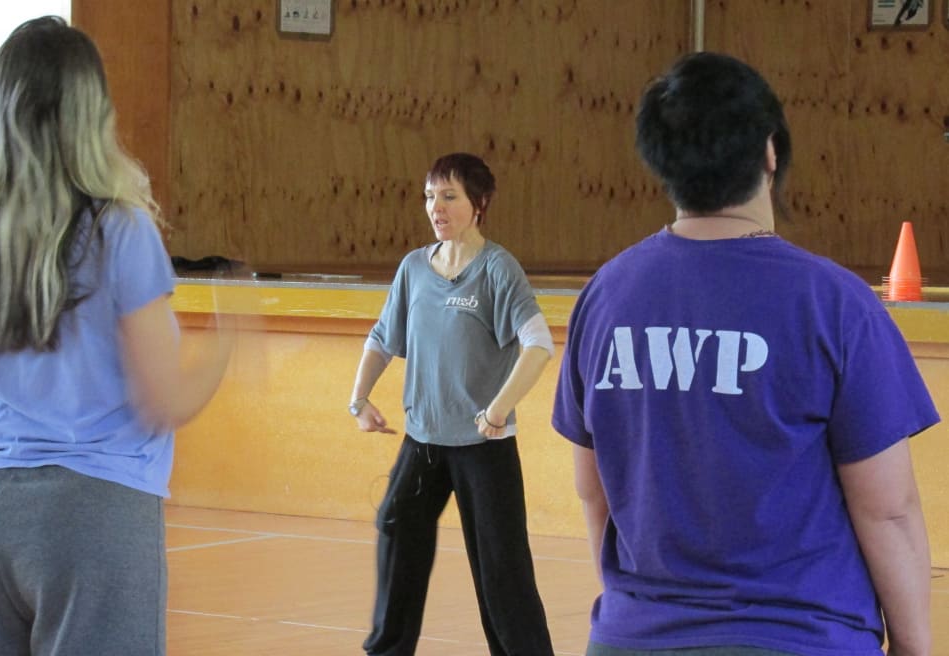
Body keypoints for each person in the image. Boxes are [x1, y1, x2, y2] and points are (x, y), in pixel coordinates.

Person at [552, 52, 939, 656]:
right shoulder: (834, 303)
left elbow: (593, 489)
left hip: (635, 636)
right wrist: (915, 647)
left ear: (661, 160)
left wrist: (642, 614)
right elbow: (887, 510)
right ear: (769, 151)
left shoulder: (606, 295)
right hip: (802, 635)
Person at [0, 16, 232, 656]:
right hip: (94, 513)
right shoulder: (119, 230)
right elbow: (163, 400)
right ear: (92, 114)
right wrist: (227, 349)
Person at [348, 152, 556, 656]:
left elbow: (539, 345)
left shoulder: (498, 269)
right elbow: (382, 338)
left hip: (484, 446)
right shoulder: (414, 268)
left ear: (478, 203)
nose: (435, 207)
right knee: (396, 527)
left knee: (501, 569)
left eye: (449, 196)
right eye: (429, 196)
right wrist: (359, 399)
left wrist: (498, 409)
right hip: (423, 440)